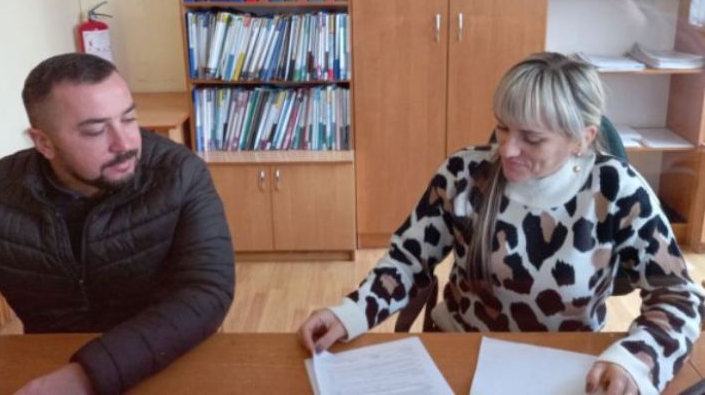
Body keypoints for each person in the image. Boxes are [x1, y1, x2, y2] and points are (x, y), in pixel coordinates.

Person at [299, 52, 704, 395]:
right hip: (461, 352)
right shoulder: (463, 173)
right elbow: (407, 261)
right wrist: (350, 313)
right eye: (503, 127)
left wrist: (635, 359)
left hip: (565, 367)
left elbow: (679, 296)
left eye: (532, 138)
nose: (507, 149)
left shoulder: (617, 189)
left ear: (582, 139)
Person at [0, 53, 235, 394]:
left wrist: (85, 376)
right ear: (44, 143)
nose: (125, 143)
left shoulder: (179, 173)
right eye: (96, 130)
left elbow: (207, 291)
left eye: (129, 119)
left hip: (169, 357)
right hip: (47, 364)